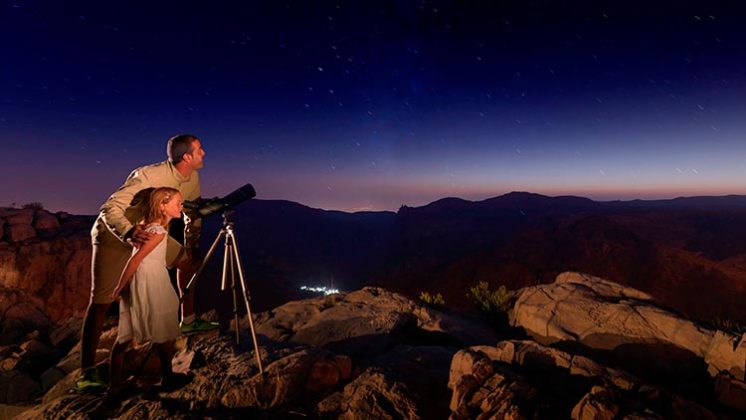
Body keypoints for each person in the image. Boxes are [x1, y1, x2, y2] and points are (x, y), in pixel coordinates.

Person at [76, 134, 218, 392]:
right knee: (102, 301)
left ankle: (188, 319)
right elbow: (109, 208)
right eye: (199, 150)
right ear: (186, 157)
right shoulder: (148, 176)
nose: (204, 153)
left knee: (187, 263)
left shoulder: (192, 179)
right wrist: (128, 232)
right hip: (115, 237)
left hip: (151, 235)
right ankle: (86, 372)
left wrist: (192, 246)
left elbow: (192, 213)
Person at [108, 187, 192, 397]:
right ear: (162, 206)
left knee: (135, 335)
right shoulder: (158, 232)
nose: (180, 206)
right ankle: (163, 377)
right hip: (150, 282)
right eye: (177, 202)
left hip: (150, 279)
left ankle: (119, 383)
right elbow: (135, 259)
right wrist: (119, 286)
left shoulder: (146, 227)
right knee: (150, 331)